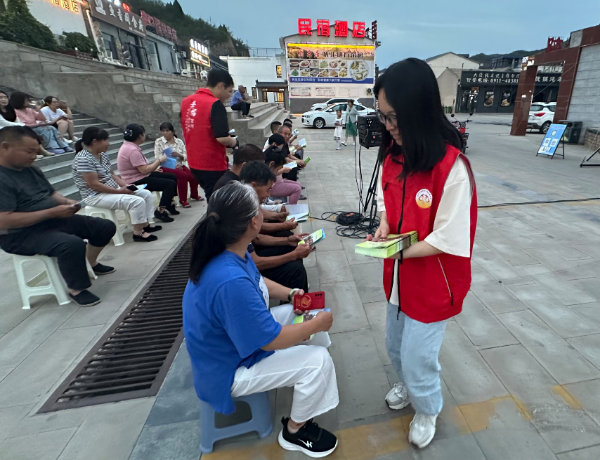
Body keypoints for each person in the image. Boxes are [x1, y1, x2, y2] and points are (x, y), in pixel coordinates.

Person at [183, 181, 338, 458]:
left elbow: (258, 280)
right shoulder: (229, 280)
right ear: (254, 222)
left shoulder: (229, 251)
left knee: (301, 312)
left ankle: (310, 378)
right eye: (260, 207)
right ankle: (295, 431)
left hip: (228, 344)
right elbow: (269, 340)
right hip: (227, 369)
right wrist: (315, 326)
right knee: (318, 361)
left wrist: (290, 294)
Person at [369, 58, 477, 448]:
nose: (388, 126)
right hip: (399, 278)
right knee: (395, 345)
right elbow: (386, 202)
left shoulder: (451, 168)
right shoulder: (393, 157)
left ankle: (428, 407)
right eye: (383, 116)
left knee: (418, 357)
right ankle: (407, 384)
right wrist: (385, 226)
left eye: (394, 117)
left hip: (433, 283)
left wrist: (397, 250)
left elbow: (450, 238)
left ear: (419, 111)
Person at [0, 126, 117, 306]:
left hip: (51, 220)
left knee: (104, 227)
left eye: (36, 151)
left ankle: (91, 262)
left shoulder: (31, 170)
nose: (34, 156)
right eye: (29, 152)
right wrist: (52, 212)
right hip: (19, 235)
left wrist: (68, 202)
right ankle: (76, 289)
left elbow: (51, 194)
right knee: (71, 244)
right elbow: (4, 220)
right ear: (5, 147)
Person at [73, 127, 161, 242]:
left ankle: (145, 224)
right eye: (105, 140)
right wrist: (119, 191)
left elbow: (112, 174)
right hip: (95, 195)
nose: (108, 144)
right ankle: (138, 233)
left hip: (111, 189)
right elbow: (94, 184)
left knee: (145, 194)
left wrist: (125, 186)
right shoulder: (83, 159)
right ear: (95, 141)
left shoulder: (102, 155)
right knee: (136, 201)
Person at [240, 161, 311, 291]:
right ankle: (295, 297)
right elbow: (255, 263)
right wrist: (293, 255)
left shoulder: (244, 200)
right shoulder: (240, 211)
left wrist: (288, 240)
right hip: (243, 271)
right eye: (268, 190)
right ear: (253, 186)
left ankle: (293, 294)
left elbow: (257, 238)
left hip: (247, 259)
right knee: (296, 269)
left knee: (290, 244)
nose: (268, 195)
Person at [181, 69, 238, 202]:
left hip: (194, 163)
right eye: (229, 91)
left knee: (211, 198)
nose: (228, 96)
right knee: (218, 202)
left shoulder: (186, 101)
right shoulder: (215, 104)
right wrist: (234, 142)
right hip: (212, 164)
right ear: (221, 86)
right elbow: (221, 138)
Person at [116, 124, 178, 223]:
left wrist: (153, 169)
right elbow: (144, 170)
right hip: (135, 181)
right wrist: (159, 160)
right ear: (140, 136)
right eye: (143, 133)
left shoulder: (129, 146)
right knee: (170, 184)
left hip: (140, 175)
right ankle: (160, 211)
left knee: (172, 176)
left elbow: (141, 167)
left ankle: (168, 204)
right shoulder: (132, 150)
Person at [154, 122, 204, 208]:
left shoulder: (179, 141)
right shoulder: (159, 142)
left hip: (179, 165)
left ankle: (194, 194)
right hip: (166, 166)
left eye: (167, 131)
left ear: (173, 132)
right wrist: (169, 160)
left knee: (193, 175)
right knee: (183, 176)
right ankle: (183, 200)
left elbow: (186, 155)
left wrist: (180, 155)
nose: (165, 133)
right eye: (163, 131)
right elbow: (157, 156)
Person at [9, 92, 73, 154]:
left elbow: (42, 119)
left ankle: (63, 146)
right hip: (27, 129)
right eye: (26, 100)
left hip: (37, 127)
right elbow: (22, 125)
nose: (28, 102)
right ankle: (51, 147)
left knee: (51, 128)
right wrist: (38, 125)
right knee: (46, 129)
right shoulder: (15, 112)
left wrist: (39, 110)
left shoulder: (29, 110)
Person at [0, 90, 52, 159]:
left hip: (11, 128)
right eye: (1, 97)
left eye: (5, 97)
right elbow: (4, 122)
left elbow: (17, 120)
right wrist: (21, 126)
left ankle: (39, 150)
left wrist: (21, 126)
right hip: (2, 130)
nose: (4, 99)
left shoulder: (10, 110)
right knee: (23, 132)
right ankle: (30, 153)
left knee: (27, 130)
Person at [266, 135, 303, 204]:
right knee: (297, 189)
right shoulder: (270, 157)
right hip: (272, 186)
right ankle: (292, 207)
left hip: (278, 181)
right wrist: (283, 170)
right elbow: (270, 174)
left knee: (298, 185)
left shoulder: (273, 153)